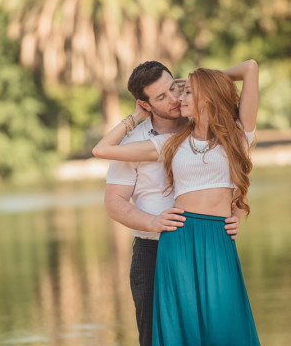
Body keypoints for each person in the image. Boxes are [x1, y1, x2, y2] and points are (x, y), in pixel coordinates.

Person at [93, 60, 260, 345]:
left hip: (216, 238)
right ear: (145, 104)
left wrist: (200, 81)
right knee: (168, 334)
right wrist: (153, 222)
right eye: (162, 97)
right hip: (162, 246)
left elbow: (250, 68)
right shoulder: (165, 142)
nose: (175, 99)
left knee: (223, 328)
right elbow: (103, 159)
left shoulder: (232, 134)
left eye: (178, 89)